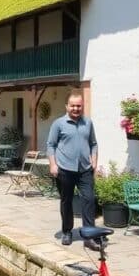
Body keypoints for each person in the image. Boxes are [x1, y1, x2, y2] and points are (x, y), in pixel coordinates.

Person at [46, 92, 98, 247]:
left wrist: (94, 159)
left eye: (79, 105)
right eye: (73, 105)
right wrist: (53, 164)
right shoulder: (58, 124)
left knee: (89, 199)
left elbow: (94, 143)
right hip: (64, 169)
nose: (76, 108)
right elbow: (50, 145)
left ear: (82, 106)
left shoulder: (88, 123)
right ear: (67, 106)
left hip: (84, 169)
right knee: (66, 201)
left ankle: (89, 236)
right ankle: (67, 232)